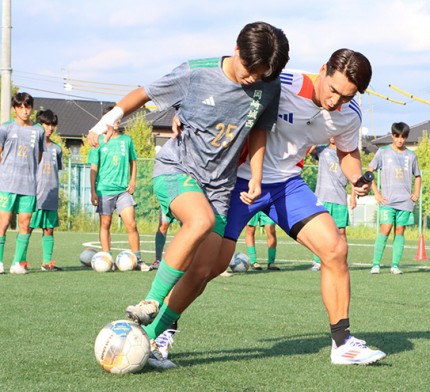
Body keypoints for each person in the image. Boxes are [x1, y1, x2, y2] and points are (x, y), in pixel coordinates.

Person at [146, 49, 386, 366]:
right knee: (207, 268)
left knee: (335, 248)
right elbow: (229, 79)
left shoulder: (349, 114)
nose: (334, 102)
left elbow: (347, 151)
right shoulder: (281, 83)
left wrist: (356, 176)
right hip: (236, 182)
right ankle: (158, 332)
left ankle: (343, 344)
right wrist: (184, 113)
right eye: (333, 90)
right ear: (323, 70)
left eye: (346, 96)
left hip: (287, 185)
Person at [87, 22, 290, 366]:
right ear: (237, 51)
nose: (254, 79)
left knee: (206, 270)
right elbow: (145, 93)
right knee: (200, 221)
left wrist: (255, 178)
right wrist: (108, 118)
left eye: (263, 74)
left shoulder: (268, 86)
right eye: (249, 70)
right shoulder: (196, 72)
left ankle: (148, 342)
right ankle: (150, 302)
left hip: (220, 185)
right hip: (177, 169)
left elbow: (258, 132)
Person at [88, 106, 148, 271]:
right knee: (105, 224)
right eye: (112, 118)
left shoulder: (126, 140)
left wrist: (133, 181)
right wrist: (93, 191)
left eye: (118, 118)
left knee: (132, 224)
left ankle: (138, 259)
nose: (116, 121)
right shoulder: (98, 141)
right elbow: (93, 168)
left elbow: (133, 161)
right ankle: (107, 259)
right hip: (104, 190)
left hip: (123, 191)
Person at [367, 122, 421, 275]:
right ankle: (376, 264)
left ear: (406, 137)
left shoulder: (411, 155)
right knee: (385, 229)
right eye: (397, 136)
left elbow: (417, 176)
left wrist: (415, 193)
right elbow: (369, 172)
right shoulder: (382, 152)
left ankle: (395, 265)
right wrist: (376, 193)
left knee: (400, 230)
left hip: (405, 201)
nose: (400, 140)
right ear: (392, 135)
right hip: (387, 200)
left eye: (403, 137)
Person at [0, 92, 45, 274]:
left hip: (28, 185)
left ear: (31, 108)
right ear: (14, 109)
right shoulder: (5, 128)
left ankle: (17, 263)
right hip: (7, 184)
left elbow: (39, 156)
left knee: (25, 223)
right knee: (3, 222)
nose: (25, 111)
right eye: (20, 107)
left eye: (27, 107)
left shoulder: (39, 130)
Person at [309, 138, 356, 271]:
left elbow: (353, 175)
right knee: (319, 231)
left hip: (340, 198)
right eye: (331, 134)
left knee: (341, 231)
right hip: (322, 197)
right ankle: (318, 261)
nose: (333, 137)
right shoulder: (322, 150)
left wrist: (353, 196)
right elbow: (310, 150)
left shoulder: (346, 154)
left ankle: (342, 260)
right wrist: (320, 135)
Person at [28, 110, 64, 271]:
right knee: (26, 227)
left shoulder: (57, 149)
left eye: (52, 125)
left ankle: (46, 262)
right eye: (46, 124)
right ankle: (20, 261)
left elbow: (58, 171)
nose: (49, 128)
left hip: (50, 195)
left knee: (49, 229)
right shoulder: (32, 146)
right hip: (34, 195)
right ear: (39, 125)